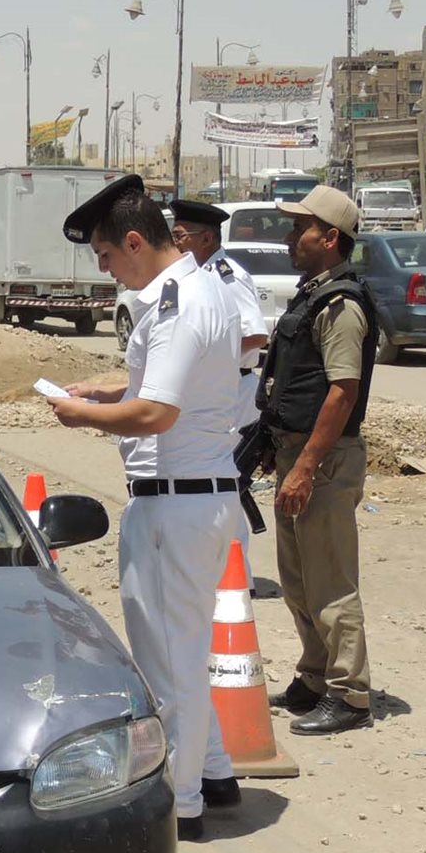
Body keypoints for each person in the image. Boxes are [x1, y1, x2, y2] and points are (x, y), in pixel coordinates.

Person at [44, 175, 242, 841]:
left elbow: (157, 412)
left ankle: (180, 806)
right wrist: (107, 391)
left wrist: (81, 416)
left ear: (135, 241)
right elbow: (166, 383)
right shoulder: (196, 291)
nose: (106, 270)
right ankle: (212, 771)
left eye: (106, 256)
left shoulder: (178, 304)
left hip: (176, 503)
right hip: (192, 499)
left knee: (168, 663)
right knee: (184, 651)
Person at [262, 186, 378, 736]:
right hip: (299, 453)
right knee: (298, 580)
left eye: (300, 228)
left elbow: (342, 392)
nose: (291, 238)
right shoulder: (313, 296)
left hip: (325, 460)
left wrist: (307, 465)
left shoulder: (341, 306)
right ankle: (314, 676)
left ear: (330, 238)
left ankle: (350, 693)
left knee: (330, 581)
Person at [171, 198, 271, 580]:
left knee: (226, 481)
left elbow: (256, 333)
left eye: (182, 236)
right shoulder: (199, 275)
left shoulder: (226, 274)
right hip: (218, 389)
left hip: (235, 391)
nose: (176, 243)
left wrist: (211, 354)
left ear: (207, 238)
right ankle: (224, 572)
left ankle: (235, 576)